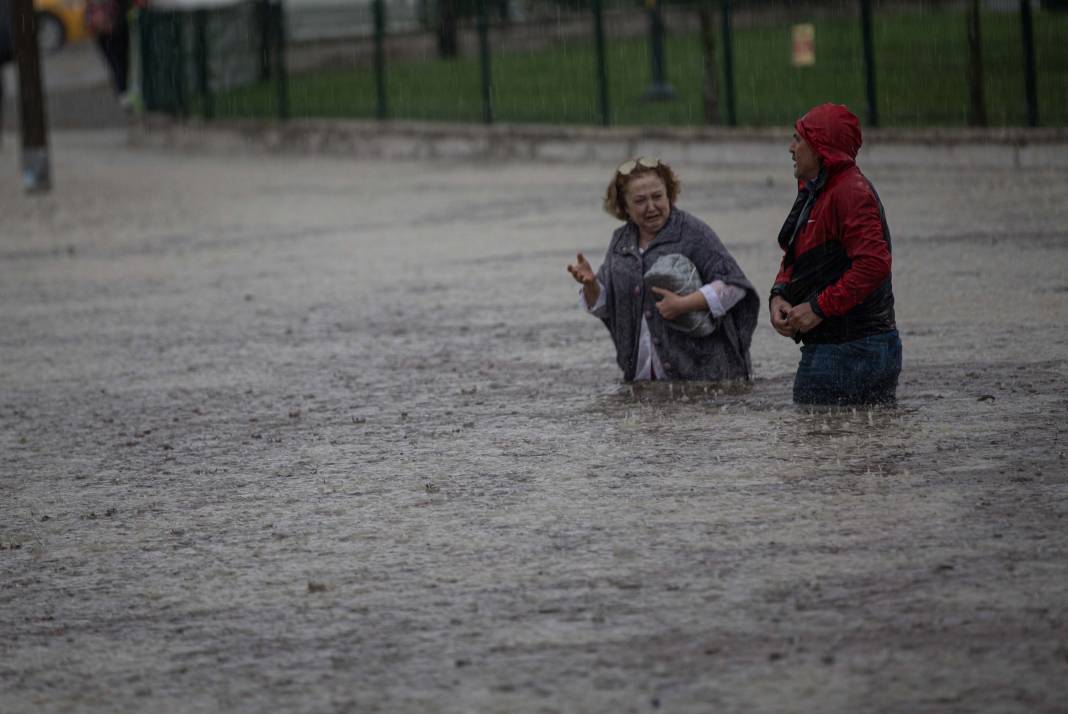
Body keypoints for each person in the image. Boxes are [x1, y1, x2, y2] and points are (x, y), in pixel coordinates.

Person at [568, 157, 759, 382]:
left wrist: (684, 304)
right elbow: (607, 307)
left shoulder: (692, 232)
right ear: (624, 206)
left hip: (704, 376)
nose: (651, 207)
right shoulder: (621, 242)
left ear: (670, 195)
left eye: (657, 197)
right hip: (643, 379)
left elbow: (734, 286)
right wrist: (591, 284)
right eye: (640, 201)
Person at [769, 103, 902, 405]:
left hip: (854, 349)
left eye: (798, 139)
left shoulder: (851, 193)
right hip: (836, 348)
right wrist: (779, 296)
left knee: (813, 447)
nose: (791, 148)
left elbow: (873, 265)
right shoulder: (816, 190)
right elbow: (795, 255)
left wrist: (818, 307)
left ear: (820, 148)